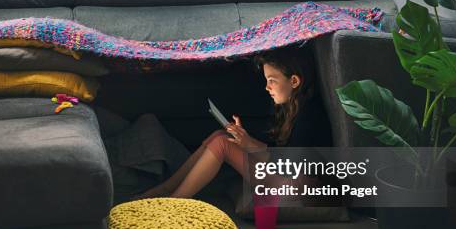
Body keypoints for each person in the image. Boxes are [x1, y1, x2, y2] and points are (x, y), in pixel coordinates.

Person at [133, 44, 332, 200]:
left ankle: (173, 202)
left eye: (272, 80)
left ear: (294, 81)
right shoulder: (291, 105)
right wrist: (243, 139)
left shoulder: (309, 115)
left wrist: (248, 144)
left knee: (222, 145)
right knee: (221, 135)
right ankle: (165, 189)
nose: (267, 87)